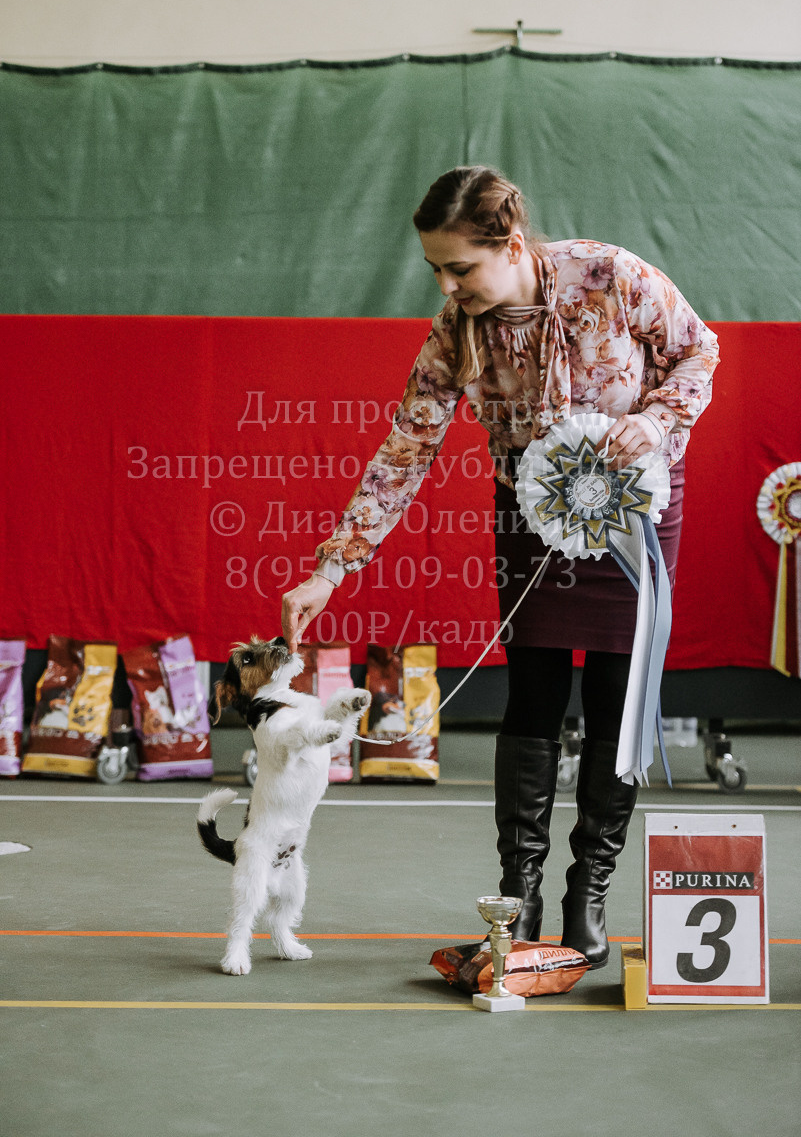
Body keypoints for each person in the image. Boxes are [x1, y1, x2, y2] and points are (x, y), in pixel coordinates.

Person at [281, 165, 719, 968]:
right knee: (534, 694)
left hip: (635, 508)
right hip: (532, 512)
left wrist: (656, 424)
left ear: (511, 244)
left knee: (617, 698)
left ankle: (589, 893)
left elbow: (697, 353)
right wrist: (330, 569)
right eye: (436, 272)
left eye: (460, 268)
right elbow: (406, 447)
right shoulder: (457, 327)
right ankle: (515, 896)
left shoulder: (610, 274)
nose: (447, 287)